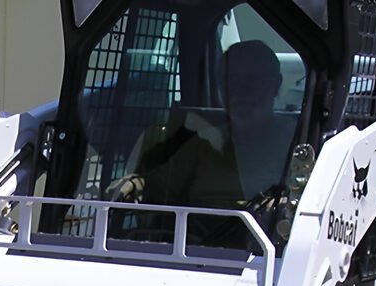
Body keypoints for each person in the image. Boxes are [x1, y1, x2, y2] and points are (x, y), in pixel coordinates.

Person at [107, 39, 285, 212]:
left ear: (276, 85)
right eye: (230, 81)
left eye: (251, 81)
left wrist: (282, 206)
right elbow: (158, 186)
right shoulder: (206, 142)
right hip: (198, 232)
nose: (239, 91)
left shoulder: (293, 144)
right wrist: (134, 185)